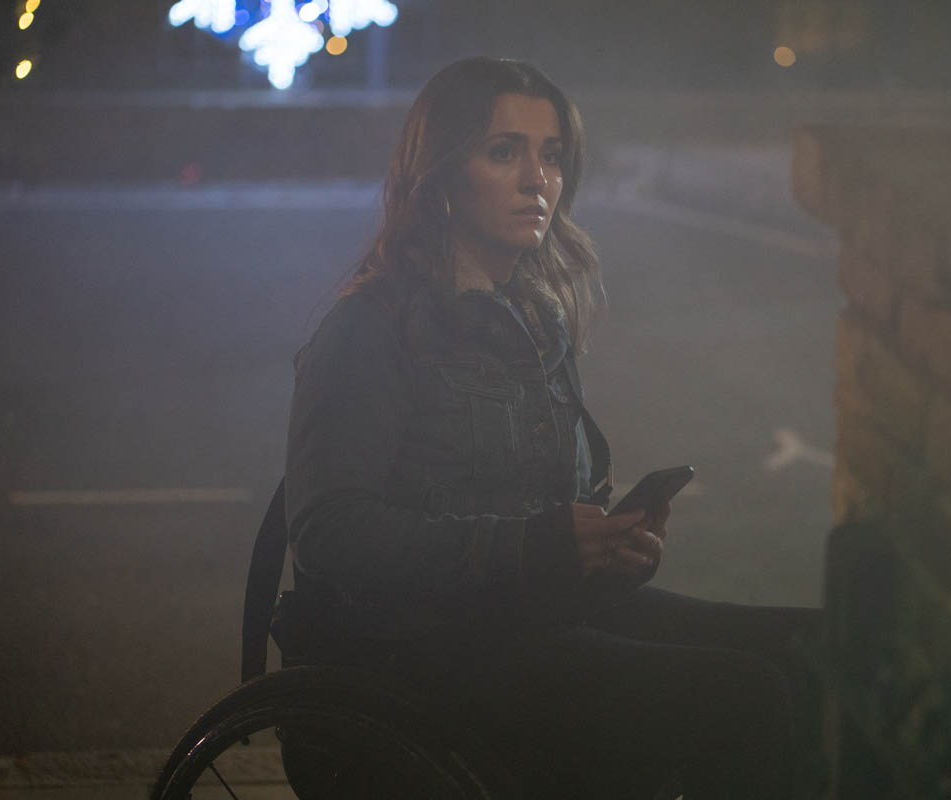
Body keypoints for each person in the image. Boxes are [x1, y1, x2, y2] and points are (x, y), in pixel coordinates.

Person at [283, 56, 816, 799]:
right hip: (418, 657)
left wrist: (610, 547)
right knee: (743, 695)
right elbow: (330, 533)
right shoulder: (373, 329)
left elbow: (553, 516)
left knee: (809, 650)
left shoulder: (536, 320)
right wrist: (538, 544)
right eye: (504, 152)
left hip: (531, 619)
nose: (538, 179)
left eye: (553, 156)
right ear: (440, 173)